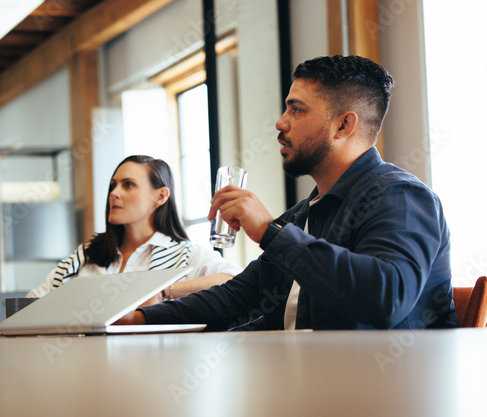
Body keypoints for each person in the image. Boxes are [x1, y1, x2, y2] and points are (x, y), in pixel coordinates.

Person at [118, 55, 456, 330]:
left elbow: (387, 299)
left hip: (379, 401)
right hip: (303, 387)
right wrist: (139, 318)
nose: (280, 123)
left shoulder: (400, 197)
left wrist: (269, 231)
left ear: (343, 125)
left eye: (297, 109)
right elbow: (237, 297)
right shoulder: (304, 213)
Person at [29, 155, 241, 302]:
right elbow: (33, 303)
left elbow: (234, 280)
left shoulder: (185, 255)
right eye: (113, 185)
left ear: (161, 196)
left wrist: (164, 291)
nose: (114, 193)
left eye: (128, 184)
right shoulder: (86, 254)